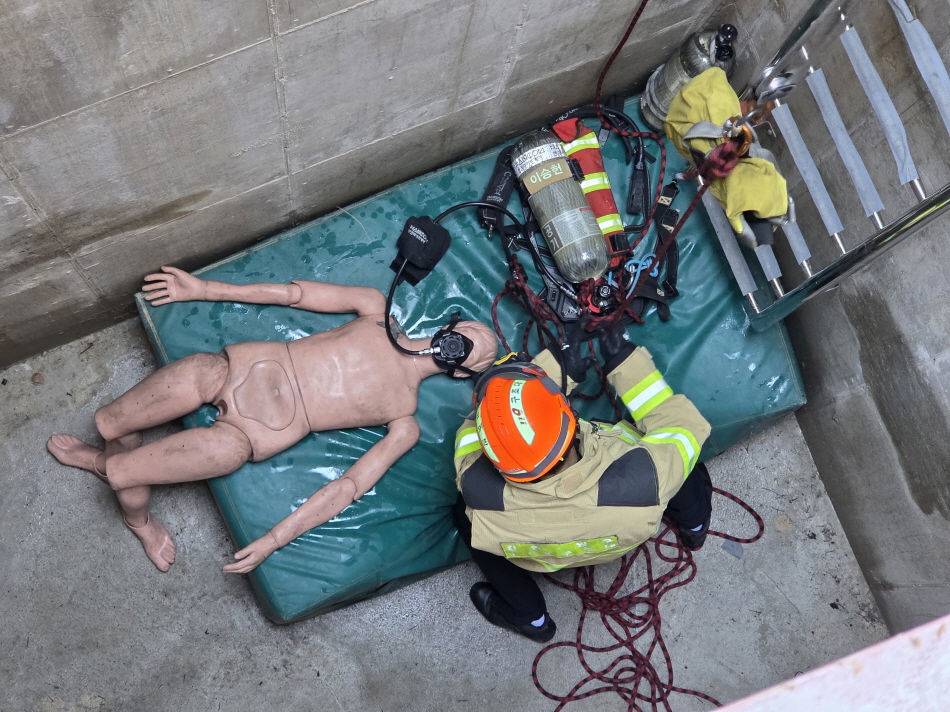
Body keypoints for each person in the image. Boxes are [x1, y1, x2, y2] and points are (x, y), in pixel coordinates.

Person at [47, 266, 498, 574]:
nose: (460, 345)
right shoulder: (375, 308)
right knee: (110, 422)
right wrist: (202, 289)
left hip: (250, 435)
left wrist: (274, 540)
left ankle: (137, 520)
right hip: (235, 368)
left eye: (470, 353)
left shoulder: (405, 419)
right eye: (467, 334)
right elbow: (291, 295)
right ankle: (105, 455)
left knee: (123, 473)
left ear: (462, 373)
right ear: (450, 326)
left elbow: (347, 487)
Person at [451, 327, 712, 642]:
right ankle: (695, 528)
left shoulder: (477, 486)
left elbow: (478, 428)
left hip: (539, 557)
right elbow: (681, 426)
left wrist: (556, 369)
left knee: (464, 516)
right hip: (619, 537)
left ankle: (532, 619)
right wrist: (626, 363)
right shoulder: (643, 478)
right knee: (678, 463)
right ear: (571, 418)